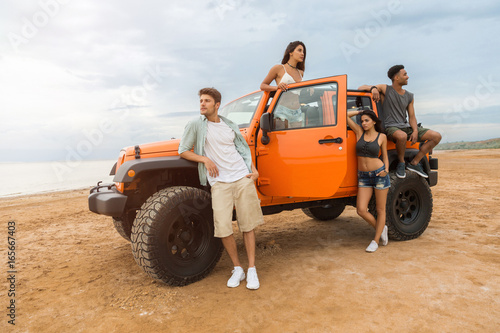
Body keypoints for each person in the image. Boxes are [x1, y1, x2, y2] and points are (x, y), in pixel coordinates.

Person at [178, 87, 264, 290]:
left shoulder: (229, 124)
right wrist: (204, 159)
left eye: (207, 101)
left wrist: (254, 170)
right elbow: (183, 150)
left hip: (242, 177)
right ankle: (237, 268)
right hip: (220, 183)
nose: (202, 104)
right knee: (223, 227)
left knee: (247, 225)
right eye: (201, 100)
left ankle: (252, 269)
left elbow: (242, 149)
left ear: (217, 105)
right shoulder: (196, 125)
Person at [358, 65, 442, 179]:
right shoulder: (385, 88)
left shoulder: (409, 96)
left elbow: (412, 116)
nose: (407, 77)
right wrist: (373, 88)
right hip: (391, 127)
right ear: (396, 77)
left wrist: (415, 130)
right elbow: (361, 87)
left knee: (436, 136)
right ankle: (401, 164)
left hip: (406, 126)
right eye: (405, 74)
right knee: (402, 136)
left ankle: (415, 163)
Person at [347, 109, 390, 253]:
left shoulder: (382, 136)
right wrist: (360, 112)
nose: (364, 123)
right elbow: (344, 115)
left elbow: (385, 156)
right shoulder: (359, 132)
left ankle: (375, 241)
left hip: (379, 174)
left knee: (380, 209)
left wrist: (386, 171)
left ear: (374, 122)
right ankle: (381, 228)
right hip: (364, 177)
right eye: (362, 120)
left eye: (367, 120)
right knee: (361, 210)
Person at [260, 41, 306, 129]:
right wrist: (276, 87)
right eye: (299, 50)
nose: (302, 54)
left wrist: (309, 89)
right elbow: (263, 85)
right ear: (290, 52)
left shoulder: (301, 73)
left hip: (297, 112)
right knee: (282, 140)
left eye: (303, 52)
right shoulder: (279, 68)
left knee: (296, 140)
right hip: (282, 110)